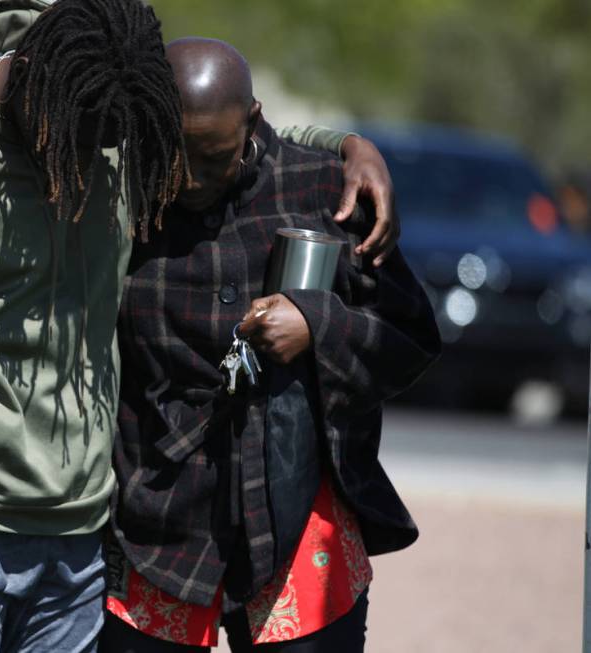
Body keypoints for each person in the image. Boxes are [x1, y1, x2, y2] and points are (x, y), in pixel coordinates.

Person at [0, 1, 399, 651]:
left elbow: (228, 130)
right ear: (39, 78)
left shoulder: (112, 120)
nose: (107, 155)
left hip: (80, 555)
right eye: (91, 135)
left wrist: (347, 147)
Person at [100, 38, 441, 652]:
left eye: (212, 156)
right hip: (156, 521)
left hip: (294, 513)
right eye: (174, 156)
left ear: (252, 121)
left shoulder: (324, 193)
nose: (189, 179)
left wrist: (318, 324)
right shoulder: (118, 200)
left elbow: (411, 336)